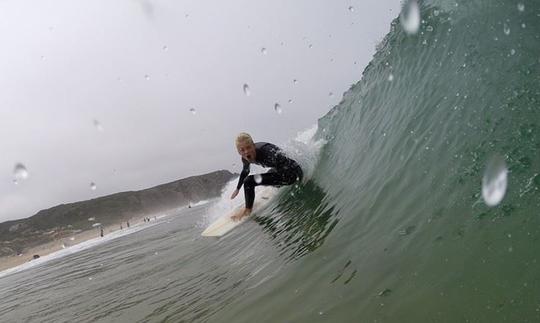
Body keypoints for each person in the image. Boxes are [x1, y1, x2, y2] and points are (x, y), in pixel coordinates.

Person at [230, 133, 303, 221]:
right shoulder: (245, 158)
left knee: (249, 181)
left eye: (248, 147)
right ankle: (274, 188)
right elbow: (245, 171)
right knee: (266, 176)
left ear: (253, 145)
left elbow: (289, 162)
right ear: (239, 152)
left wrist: (301, 178)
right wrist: (237, 188)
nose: (246, 152)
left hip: (290, 173)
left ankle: (247, 211)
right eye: (242, 150)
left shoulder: (267, 152)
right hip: (278, 170)